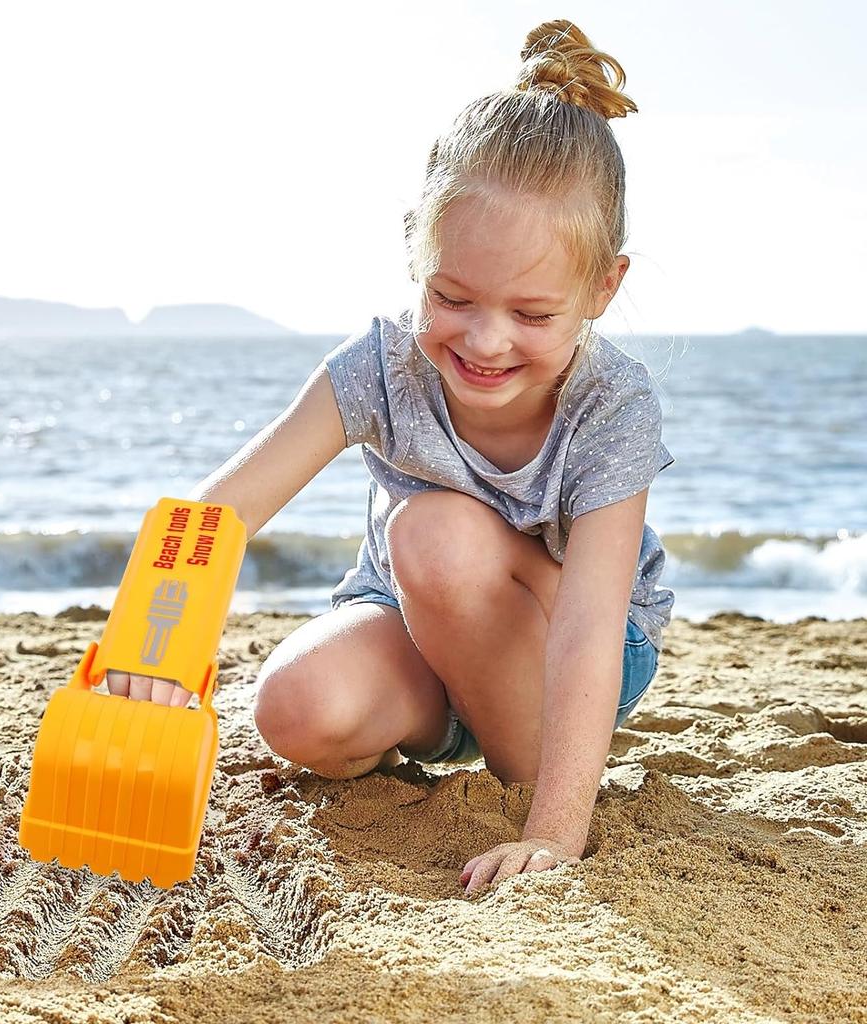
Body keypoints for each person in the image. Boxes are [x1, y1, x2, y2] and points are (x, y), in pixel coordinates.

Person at [107, 19, 675, 893]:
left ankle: (526, 777)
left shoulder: (613, 405)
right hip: (419, 627)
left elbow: (593, 624)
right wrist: (153, 643)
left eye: (532, 315)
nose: (486, 341)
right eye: (452, 297)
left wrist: (556, 828)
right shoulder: (379, 366)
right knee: (293, 709)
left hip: (574, 650)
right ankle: (438, 741)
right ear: (416, 244)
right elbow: (217, 517)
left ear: (603, 287)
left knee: (436, 533)